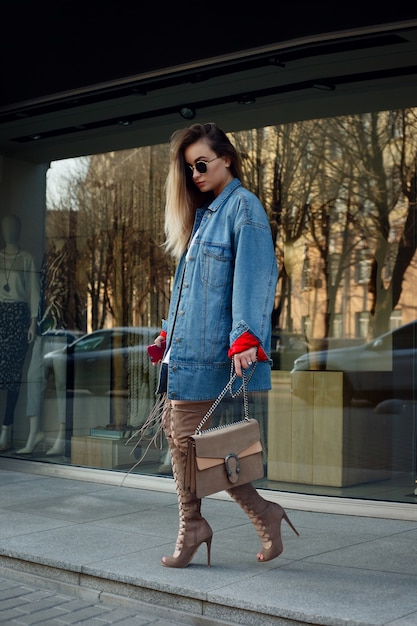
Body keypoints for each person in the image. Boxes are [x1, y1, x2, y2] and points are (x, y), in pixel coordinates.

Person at [148, 122, 299, 568]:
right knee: (187, 444)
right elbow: (192, 291)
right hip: (187, 351)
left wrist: (247, 336)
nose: (194, 174)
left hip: (214, 354)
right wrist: (168, 334)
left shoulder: (244, 210)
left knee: (194, 446)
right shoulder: (206, 215)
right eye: (188, 168)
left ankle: (210, 522)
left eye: (201, 164)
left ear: (226, 159)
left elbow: (253, 279)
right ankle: (241, 517)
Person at [0, 214, 39, 452]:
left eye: (12, 227)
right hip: (1, 315)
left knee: (13, 376)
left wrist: (32, 323)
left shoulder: (26, 259)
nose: (8, 231)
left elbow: (34, 292)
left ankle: (7, 428)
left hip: (18, 317)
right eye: (5, 227)